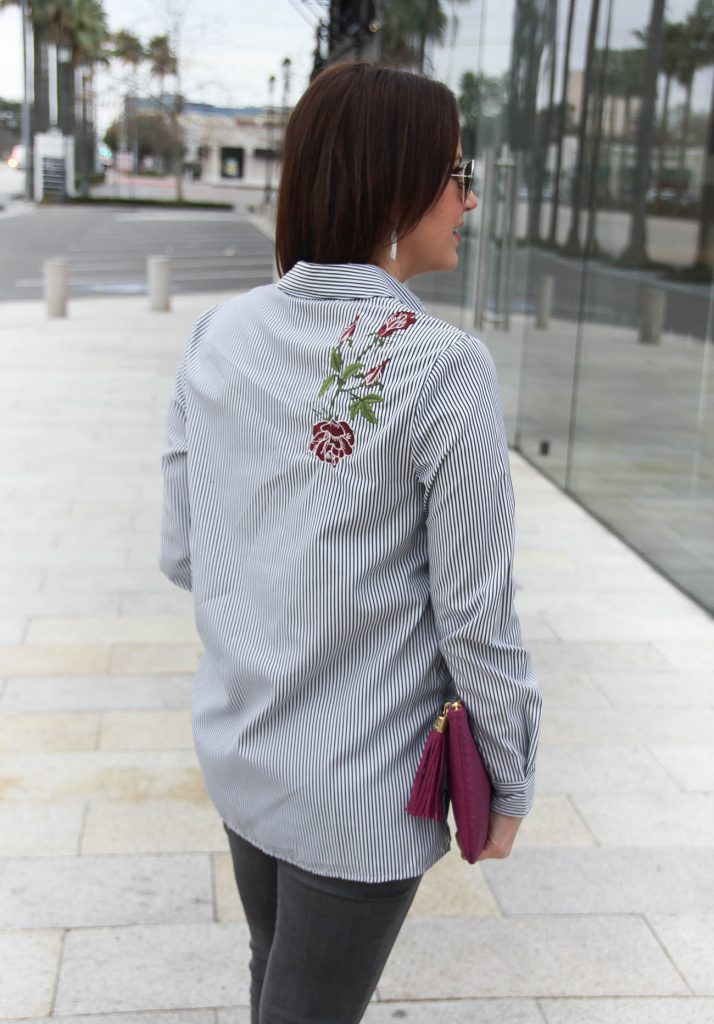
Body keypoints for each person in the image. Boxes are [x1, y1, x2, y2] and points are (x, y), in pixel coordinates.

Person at [160, 60, 542, 1024]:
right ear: (395, 183)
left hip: (242, 751)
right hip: (357, 794)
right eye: (458, 173)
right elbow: (476, 614)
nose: (469, 198)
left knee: (275, 979)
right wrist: (511, 776)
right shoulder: (444, 368)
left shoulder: (220, 332)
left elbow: (183, 552)